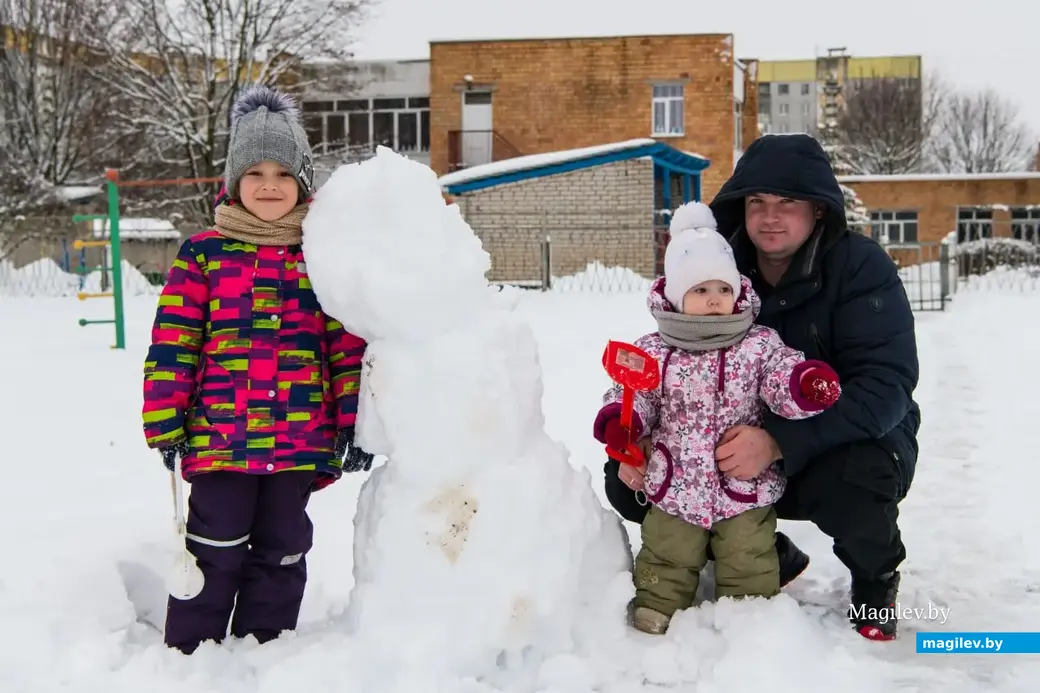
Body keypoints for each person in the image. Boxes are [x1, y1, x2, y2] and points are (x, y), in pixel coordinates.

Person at [602, 134, 919, 641]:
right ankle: (764, 552)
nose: (771, 217)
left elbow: (886, 388)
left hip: (841, 437)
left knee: (858, 481)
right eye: (758, 202)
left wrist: (777, 443)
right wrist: (636, 437)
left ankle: (875, 580)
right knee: (631, 481)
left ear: (817, 210)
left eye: (788, 203)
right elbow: (673, 358)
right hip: (724, 445)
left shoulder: (860, 267)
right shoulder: (722, 265)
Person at [141, 85, 372, 655]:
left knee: (284, 546)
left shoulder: (320, 256)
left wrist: (354, 424)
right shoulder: (204, 254)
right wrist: (165, 420)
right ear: (232, 182)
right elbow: (174, 342)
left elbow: (344, 346)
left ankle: (266, 648)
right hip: (221, 435)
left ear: (303, 181)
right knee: (213, 543)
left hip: (299, 436)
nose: (269, 185)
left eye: (282, 173)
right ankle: (192, 652)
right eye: (254, 173)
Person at [593, 201, 842, 635]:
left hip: (742, 483)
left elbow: (780, 376)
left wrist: (803, 384)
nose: (714, 299)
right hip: (674, 483)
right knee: (667, 550)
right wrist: (622, 420)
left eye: (723, 290)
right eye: (701, 290)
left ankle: (751, 615)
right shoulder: (653, 349)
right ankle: (658, 604)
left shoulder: (758, 344)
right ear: (675, 296)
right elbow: (633, 393)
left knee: (749, 552)